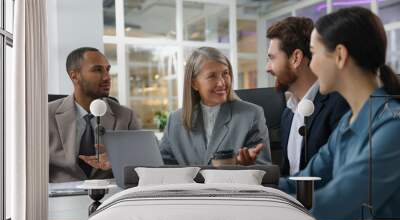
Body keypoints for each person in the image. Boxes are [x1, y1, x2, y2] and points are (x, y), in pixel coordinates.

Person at [279, 7, 400, 220]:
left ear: (340, 55)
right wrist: (254, 186)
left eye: (313, 53)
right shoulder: (348, 122)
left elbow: (341, 202)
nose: (311, 63)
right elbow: (305, 180)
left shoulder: (393, 126)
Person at [159, 47, 271, 165]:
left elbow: (265, 168)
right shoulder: (175, 120)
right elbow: (163, 166)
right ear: (194, 83)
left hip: (233, 183)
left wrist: (242, 165)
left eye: (225, 74)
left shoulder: (251, 114)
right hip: (188, 184)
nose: (221, 83)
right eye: (212, 76)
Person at [266, 17, 349, 176]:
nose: (268, 68)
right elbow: (288, 174)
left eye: (272, 58)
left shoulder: (339, 106)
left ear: (295, 58)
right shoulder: (288, 114)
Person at [49, 47, 140, 183]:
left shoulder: (126, 117)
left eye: (107, 70)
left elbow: (142, 171)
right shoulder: (45, 116)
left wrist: (118, 161)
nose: (107, 77)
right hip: (61, 199)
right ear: (74, 76)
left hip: (109, 199)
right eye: (97, 70)